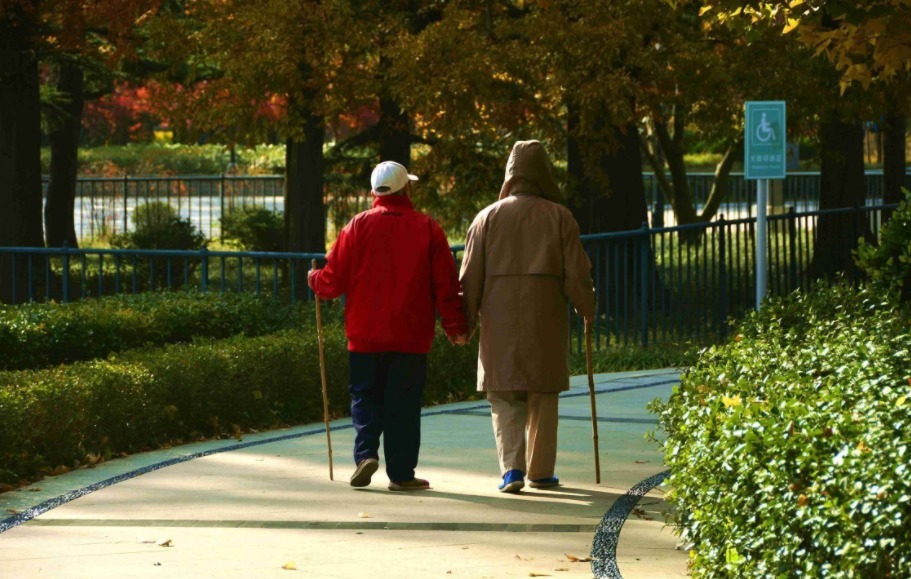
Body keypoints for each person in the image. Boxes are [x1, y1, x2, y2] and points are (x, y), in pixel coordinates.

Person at [309, 161, 468, 491]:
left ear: (374, 192)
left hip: (364, 334)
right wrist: (455, 327)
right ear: (405, 189)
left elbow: (332, 281)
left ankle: (366, 453)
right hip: (411, 335)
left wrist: (314, 279)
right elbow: (446, 286)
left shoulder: (356, 226)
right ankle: (401, 473)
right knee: (404, 404)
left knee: (365, 396)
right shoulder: (428, 228)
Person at [459, 140, 596, 493]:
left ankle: (511, 471)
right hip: (544, 319)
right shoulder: (559, 216)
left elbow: (469, 276)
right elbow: (576, 274)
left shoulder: (486, 218)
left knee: (504, 396)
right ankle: (540, 470)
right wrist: (586, 306)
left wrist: (464, 321)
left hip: (499, 321)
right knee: (543, 394)